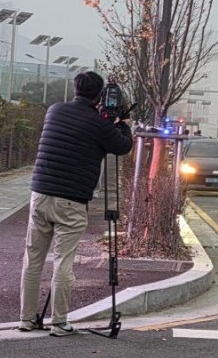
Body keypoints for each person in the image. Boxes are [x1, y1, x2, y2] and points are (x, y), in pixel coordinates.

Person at [18, 71, 134, 337]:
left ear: (74, 89)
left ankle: (26, 319)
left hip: (40, 195)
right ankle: (59, 323)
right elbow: (123, 146)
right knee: (63, 261)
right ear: (100, 95)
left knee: (33, 259)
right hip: (70, 202)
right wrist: (123, 120)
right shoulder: (99, 124)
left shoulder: (54, 110)